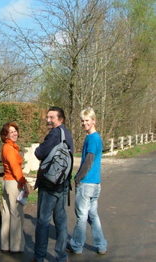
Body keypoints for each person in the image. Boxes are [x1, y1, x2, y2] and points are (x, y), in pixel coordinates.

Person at [32, 107, 74, 262]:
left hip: (49, 185)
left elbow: (39, 153)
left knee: (43, 221)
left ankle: (40, 256)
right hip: (62, 184)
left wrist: (39, 147)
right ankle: (61, 256)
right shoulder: (67, 134)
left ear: (60, 119)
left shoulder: (54, 134)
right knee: (61, 222)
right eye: (47, 117)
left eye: (51, 117)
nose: (48, 120)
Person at [67, 107, 107, 255]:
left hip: (87, 183)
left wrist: (78, 178)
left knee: (81, 217)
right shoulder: (94, 138)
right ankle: (101, 245)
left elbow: (89, 160)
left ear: (94, 120)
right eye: (82, 121)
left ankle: (76, 245)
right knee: (92, 215)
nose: (84, 123)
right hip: (95, 183)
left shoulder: (93, 138)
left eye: (87, 120)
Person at [0, 122, 29, 253]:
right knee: (16, 214)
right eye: (11, 132)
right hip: (13, 183)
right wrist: (23, 182)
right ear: (5, 135)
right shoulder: (9, 148)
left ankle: (5, 244)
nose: (14, 133)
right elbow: (15, 167)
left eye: (15, 131)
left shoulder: (7, 147)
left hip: (6, 182)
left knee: (6, 215)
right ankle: (16, 246)